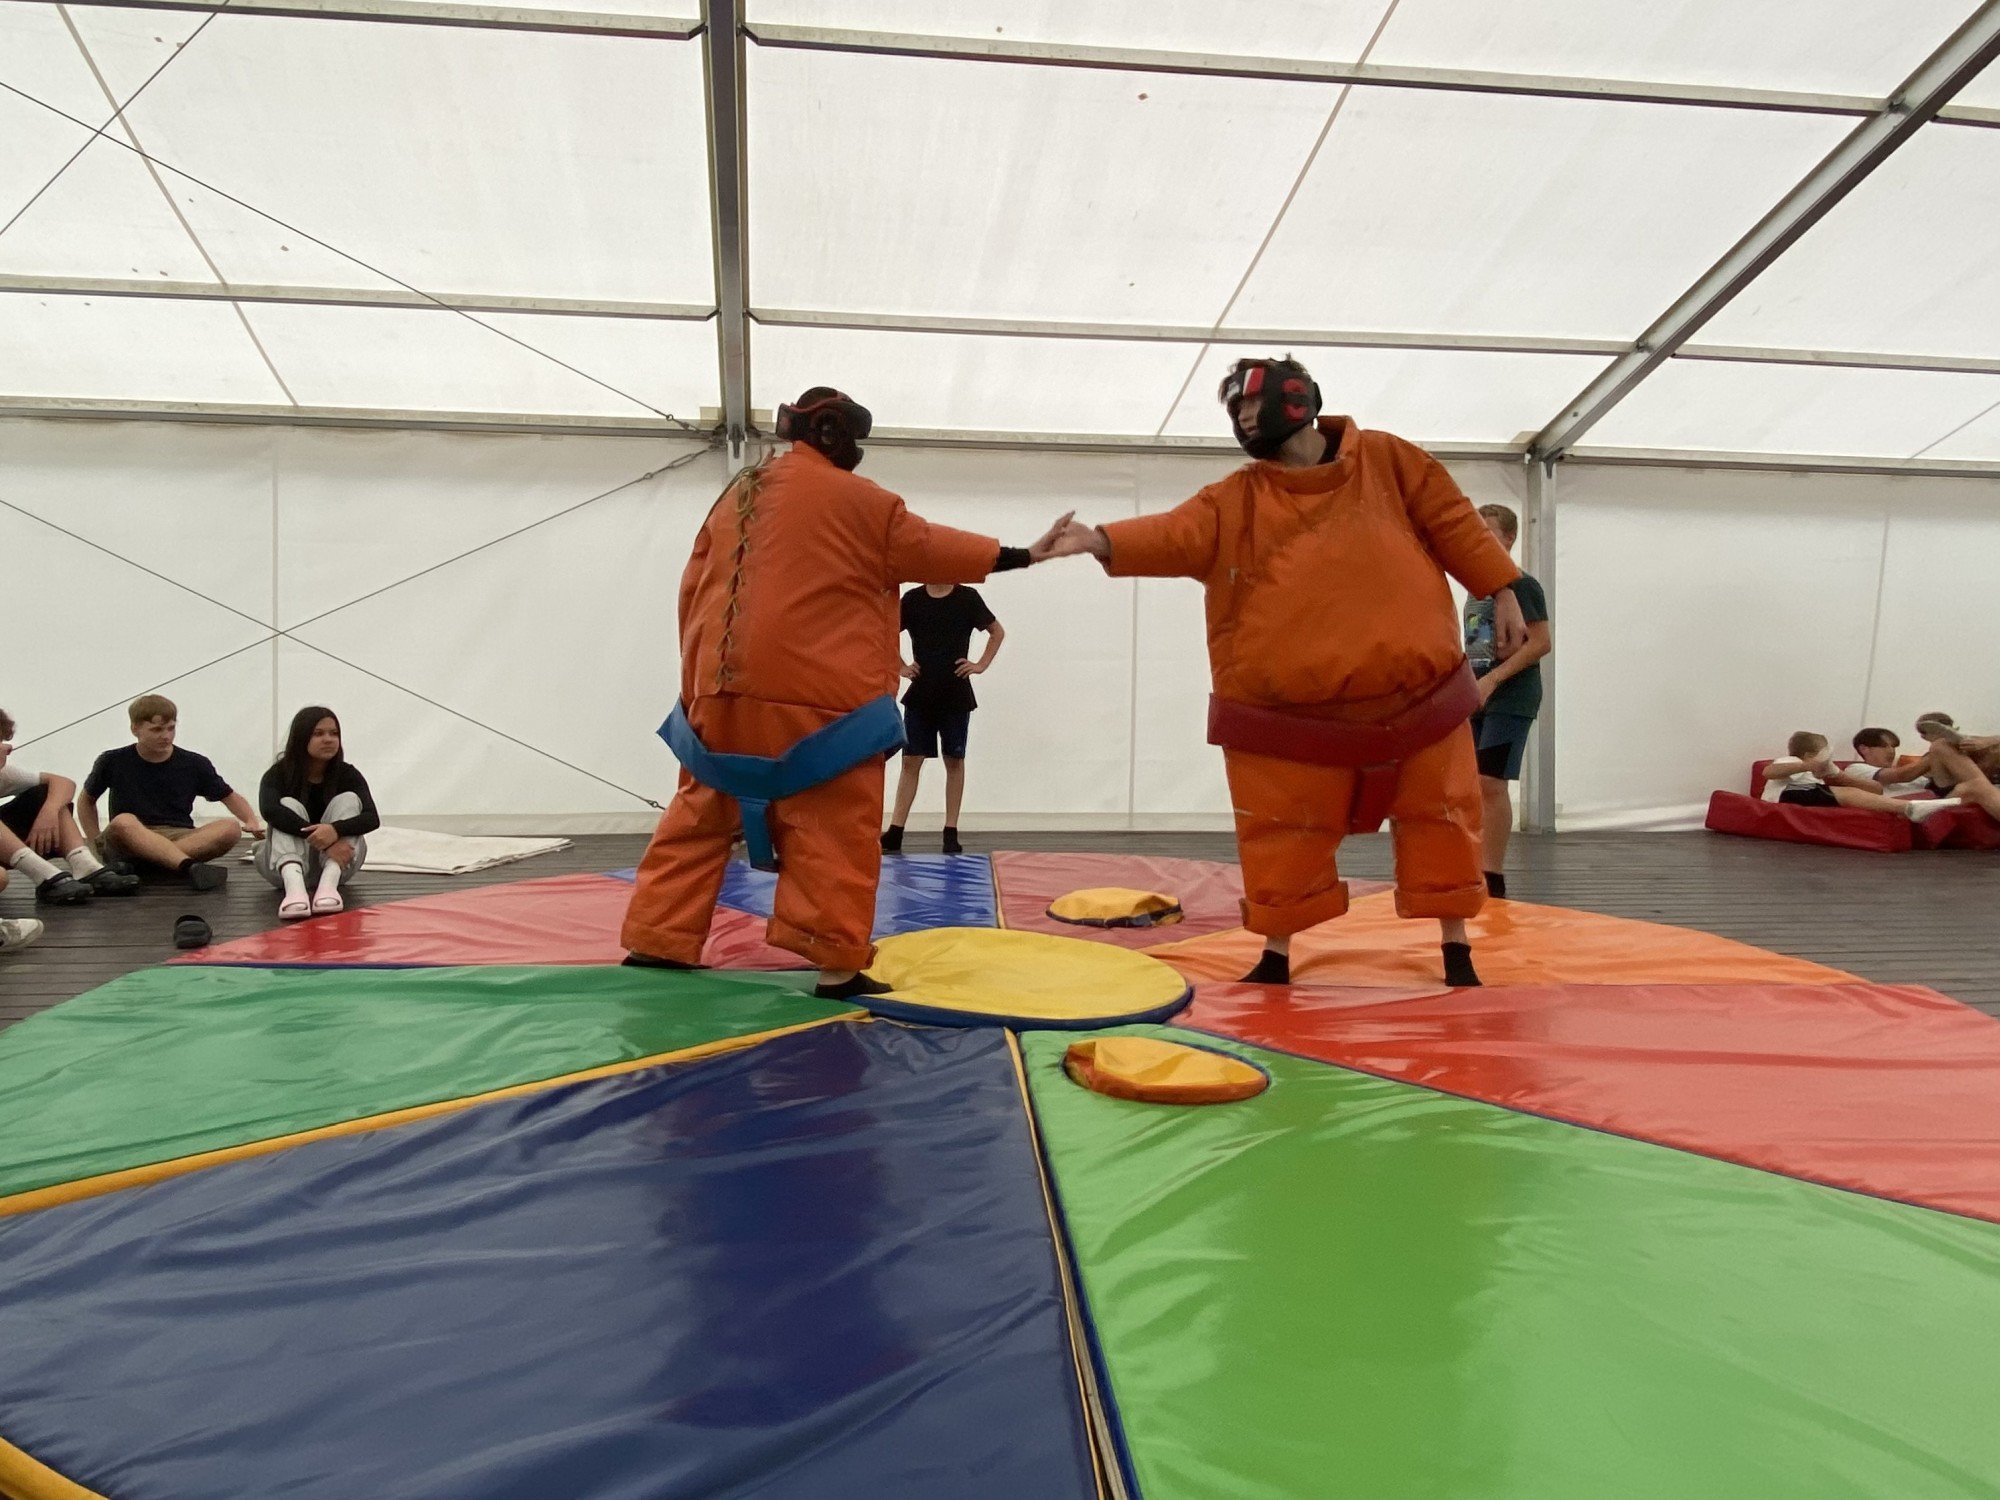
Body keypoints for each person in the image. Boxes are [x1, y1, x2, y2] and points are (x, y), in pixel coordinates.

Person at [1043, 355, 1530, 987]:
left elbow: (1453, 522)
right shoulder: (1236, 501)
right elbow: (1177, 533)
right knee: (1280, 838)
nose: (1244, 418)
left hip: (1419, 701)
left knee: (1443, 823)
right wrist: (1101, 540)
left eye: (1251, 404)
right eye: (1237, 410)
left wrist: (1502, 588)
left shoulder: (1388, 461)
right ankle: (1277, 952)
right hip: (1290, 721)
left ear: (1296, 398)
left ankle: (1456, 949)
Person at [620, 387, 1069, 999]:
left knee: (700, 815)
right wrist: (1023, 555)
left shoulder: (736, 496)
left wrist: (698, 682)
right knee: (832, 827)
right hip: (818, 702)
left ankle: (657, 938)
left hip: (716, 694)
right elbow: (931, 548)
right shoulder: (864, 504)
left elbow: (692, 587)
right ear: (834, 434)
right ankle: (834, 961)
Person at [77, 694, 263, 889]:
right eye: (156, 730)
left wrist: (250, 820)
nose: (166, 736)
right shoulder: (113, 760)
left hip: (177, 833)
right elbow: (86, 800)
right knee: (124, 821)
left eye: (171, 728)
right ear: (135, 729)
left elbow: (228, 796)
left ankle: (151, 864)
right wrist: (95, 841)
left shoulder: (194, 763)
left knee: (230, 827)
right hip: (129, 837)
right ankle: (184, 865)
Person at [1462, 503, 1552, 899]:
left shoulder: (1522, 585)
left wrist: (1494, 680)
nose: (1480, 539)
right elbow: (1478, 646)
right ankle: (1475, 864)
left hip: (1511, 697)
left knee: (1491, 781)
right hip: (1479, 695)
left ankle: (1492, 876)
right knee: (1473, 783)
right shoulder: (1475, 590)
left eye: (1489, 532)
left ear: (1509, 538)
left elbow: (1541, 643)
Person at [880, 583, 1005, 855]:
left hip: (955, 693)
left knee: (954, 760)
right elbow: (884, 632)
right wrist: (901, 666)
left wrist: (980, 665)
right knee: (911, 760)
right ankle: (896, 831)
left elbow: (997, 631)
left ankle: (950, 830)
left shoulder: (967, 598)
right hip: (921, 693)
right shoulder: (913, 599)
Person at [0, 707, 140, 905]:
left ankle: (84, 865)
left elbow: (63, 783)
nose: (7, 748)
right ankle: (43, 875)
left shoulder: (5, 774)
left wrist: (49, 812)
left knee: (46, 794)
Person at [256, 706, 378, 919]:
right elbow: (270, 810)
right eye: (318, 734)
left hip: (337, 864)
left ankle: (328, 886)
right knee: (287, 804)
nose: (328, 739)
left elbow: (371, 818)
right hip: (283, 867)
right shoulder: (278, 773)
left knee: (349, 800)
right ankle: (294, 890)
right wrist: (325, 840)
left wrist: (335, 830)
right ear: (301, 737)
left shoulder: (348, 774)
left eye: (334, 733)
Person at [1762, 731, 1958, 821]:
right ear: (1808, 755)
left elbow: (1876, 790)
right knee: (1843, 793)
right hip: (1784, 794)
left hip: (1805, 794)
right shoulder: (1791, 760)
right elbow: (1768, 772)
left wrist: (1836, 775)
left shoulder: (1820, 774)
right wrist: (1807, 765)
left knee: (1847, 791)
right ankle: (1908, 808)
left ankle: (1910, 807)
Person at [1900, 715, 2000, 823]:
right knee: (1940, 745)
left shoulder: (1973, 749)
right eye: (1935, 730)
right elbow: (1903, 775)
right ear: (1924, 737)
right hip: (1949, 790)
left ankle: (1966, 743)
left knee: (1993, 751)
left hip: (1979, 782)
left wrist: (1985, 743)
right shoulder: (1931, 755)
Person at [1849, 727, 1929, 797]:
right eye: (1884, 746)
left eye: (1893, 747)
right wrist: (1931, 756)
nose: (1891, 751)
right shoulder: (1855, 769)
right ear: (1863, 749)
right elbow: (1901, 775)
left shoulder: (1907, 772)